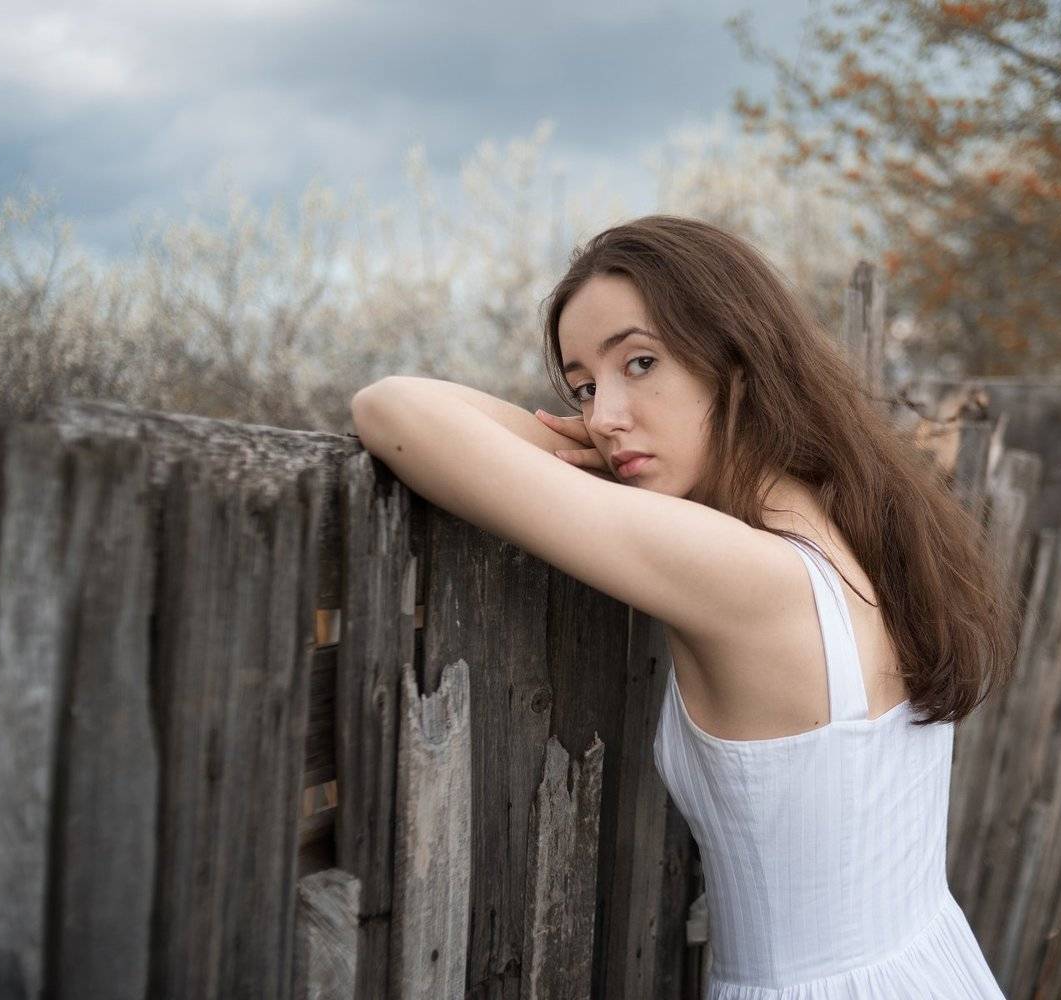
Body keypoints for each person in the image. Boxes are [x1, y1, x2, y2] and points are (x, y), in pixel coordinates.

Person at [351, 215, 1017, 998]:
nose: (604, 418)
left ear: (738, 360)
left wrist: (593, 460)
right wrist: (613, 445)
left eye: (641, 363)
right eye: (585, 388)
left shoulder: (746, 574)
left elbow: (392, 410)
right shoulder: (860, 528)